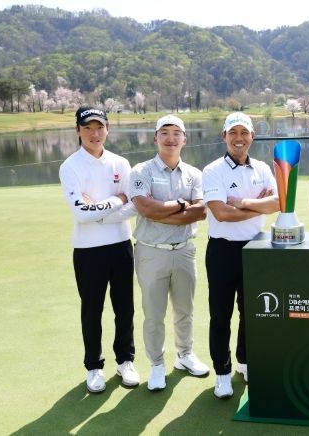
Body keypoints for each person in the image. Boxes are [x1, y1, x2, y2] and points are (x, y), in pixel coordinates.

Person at [59, 106, 139, 393]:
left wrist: (100, 211)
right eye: (88, 128)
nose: (94, 133)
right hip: (88, 250)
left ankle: (125, 361)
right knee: (92, 310)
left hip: (120, 245)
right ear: (78, 130)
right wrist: (116, 200)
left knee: (125, 308)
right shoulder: (70, 166)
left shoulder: (121, 163)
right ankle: (94, 366)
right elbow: (81, 213)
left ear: (108, 129)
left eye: (99, 127)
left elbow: (135, 204)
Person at [128, 115, 210, 391]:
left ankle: (185, 355)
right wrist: (181, 205)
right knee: (154, 314)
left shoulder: (194, 174)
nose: (171, 138)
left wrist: (161, 211)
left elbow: (200, 212)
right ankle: (156, 364)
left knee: (185, 310)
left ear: (185, 139)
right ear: (155, 138)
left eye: (177, 133)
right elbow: (145, 208)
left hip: (184, 251)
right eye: (164, 132)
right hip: (152, 252)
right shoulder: (142, 170)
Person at [202, 112, 279, 398]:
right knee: (220, 315)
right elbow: (221, 213)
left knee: (251, 312)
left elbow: (278, 203)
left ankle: (245, 362)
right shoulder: (212, 170)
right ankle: (222, 372)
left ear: (252, 137)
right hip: (222, 251)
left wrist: (244, 204)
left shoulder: (262, 168)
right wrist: (257, 206)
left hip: (255, 248)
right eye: (233, 132)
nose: (239, 138)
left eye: (244, 132)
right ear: (224, 136)